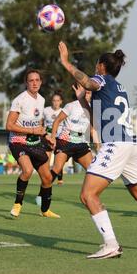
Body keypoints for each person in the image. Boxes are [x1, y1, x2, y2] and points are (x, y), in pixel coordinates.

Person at [59, 41, 137, 259]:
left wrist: (66, 63)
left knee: (88, 195)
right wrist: (82, 101)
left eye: (97, 64)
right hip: (131, 145)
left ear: (101, 66)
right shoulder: (119, 88)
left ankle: (111, 244)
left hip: (115, 144)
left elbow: (88, 82)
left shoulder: (102, 80)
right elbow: (95, 117)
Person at [6, 69, 57, 219]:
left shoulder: (41, 100)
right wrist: (33, 130)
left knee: (47, 178)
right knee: (27, 170)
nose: (34, 83)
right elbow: (9, 125)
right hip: (18, 141)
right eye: (31, 80)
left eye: (37, 80)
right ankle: (17, 204)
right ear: (26, 83)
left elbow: (39, 124)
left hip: (35, 142)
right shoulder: (19, 100)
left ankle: (45, 210)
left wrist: (46, 136)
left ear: (41, 82)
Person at [39, 86, 94, 218]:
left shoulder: (93, 108)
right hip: (65, 141)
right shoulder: (71, 106)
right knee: (57, 169)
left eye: (89, 93)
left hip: (81, 142)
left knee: (94, 170)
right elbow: (57, 121)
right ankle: (43, 194)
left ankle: (90, 198)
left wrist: (99, 144)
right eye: (85, 92)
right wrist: (52, 137)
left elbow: (92, 129)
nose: (87, 95)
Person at [43, 92, 64, 185]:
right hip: (48, 138)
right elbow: (41, 123)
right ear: (52, 101)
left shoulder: (64, 111)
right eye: (54, 100)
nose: (56, 103)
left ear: (61, 102)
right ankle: (46, 178)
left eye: (58, 101)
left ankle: (60, 179)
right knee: (46, 159)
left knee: (58, 160)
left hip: (59, 138)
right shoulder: (46, 110)